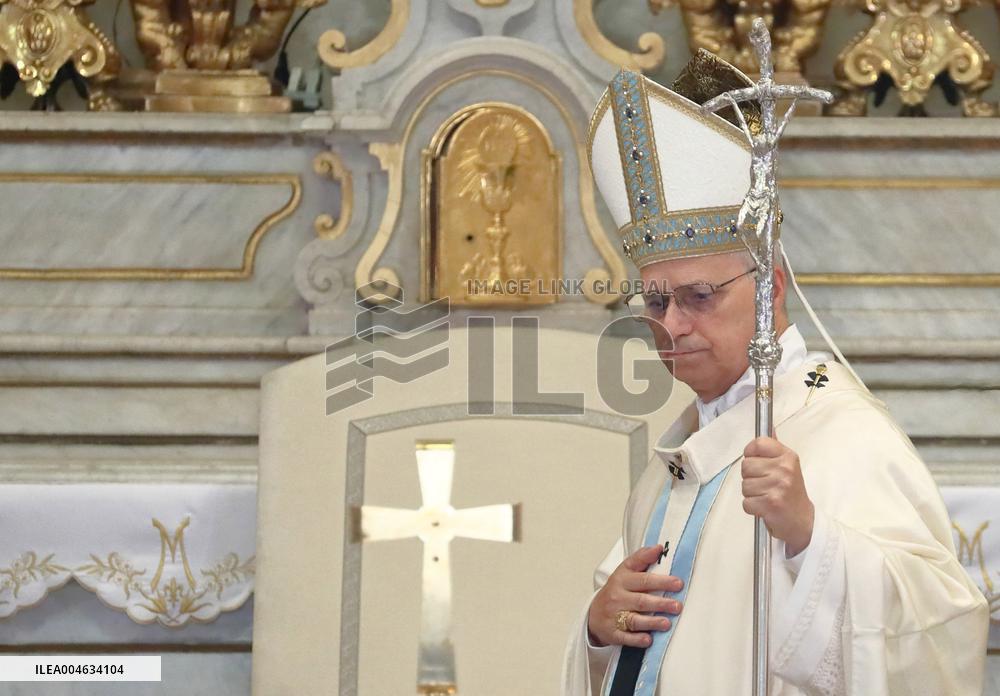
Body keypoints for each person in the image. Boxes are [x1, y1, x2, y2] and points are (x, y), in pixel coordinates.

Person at [561, 52, 990, 696]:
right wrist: (597, 629)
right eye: (655, 301)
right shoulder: (673, 464)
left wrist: (808, 537)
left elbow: (939, 626)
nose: (671, 325)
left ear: (771, 289)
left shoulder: (845, 434)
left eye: (699, 295)